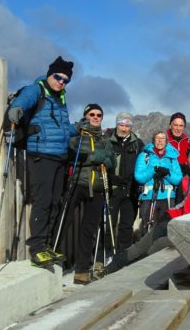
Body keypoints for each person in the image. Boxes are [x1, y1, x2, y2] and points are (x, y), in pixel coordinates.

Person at [6, 56, 76, 268]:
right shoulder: (37, 89)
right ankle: (37, 248)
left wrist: (77, 128)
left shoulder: (60, 99)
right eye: (58, 77)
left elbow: (62, 130)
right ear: (50, 74)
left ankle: (46, 246)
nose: (61, 82)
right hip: (41, 155)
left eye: (66, 80)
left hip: (59, 156)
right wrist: (15, 110)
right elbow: (22, 102)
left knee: (55, 201)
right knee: (43, 201)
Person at [104, 173, 190, 274]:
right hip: (174, 221)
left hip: (189, 235)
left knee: (155, 249)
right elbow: (189, 218)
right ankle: (111, 269)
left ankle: (131, 273)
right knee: (142, 246)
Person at [64, 103, 115, 285]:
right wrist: (94, 158)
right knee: (64, 222)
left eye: (99, 115)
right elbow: (72, 155)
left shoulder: (105, 138)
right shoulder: (77, 134)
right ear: (85, 115)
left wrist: (107, 161)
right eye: (92, 114)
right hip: (78, 183)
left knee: (89, 229)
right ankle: (55, 262)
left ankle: (82, 270)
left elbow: (110, 159)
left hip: (98, 187)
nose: (95, 117)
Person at [105, 112, 144, 254]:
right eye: (121, 124)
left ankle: (124, 255)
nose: (124, 128)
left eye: (127, 126)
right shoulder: (108, 139)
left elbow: (143, 164)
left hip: (131, 189)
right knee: (110, 223)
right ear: (117, 124)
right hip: (112, 188)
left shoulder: (138, 144)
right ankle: (107, 253)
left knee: (127, 225)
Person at [134, 130, 182, 236]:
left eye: (162, 138)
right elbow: (139, 177)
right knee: (147, 228)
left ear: (166, 141)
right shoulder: (144, 156)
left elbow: (178, 179)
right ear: (153, 140)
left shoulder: (172, 158)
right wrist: (153, 170)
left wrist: (166, 173)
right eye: (157, 138)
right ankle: (145, 251)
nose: (160, 141)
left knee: (166, 228)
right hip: (148, 197)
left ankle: (162, 251)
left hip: (168, 197)